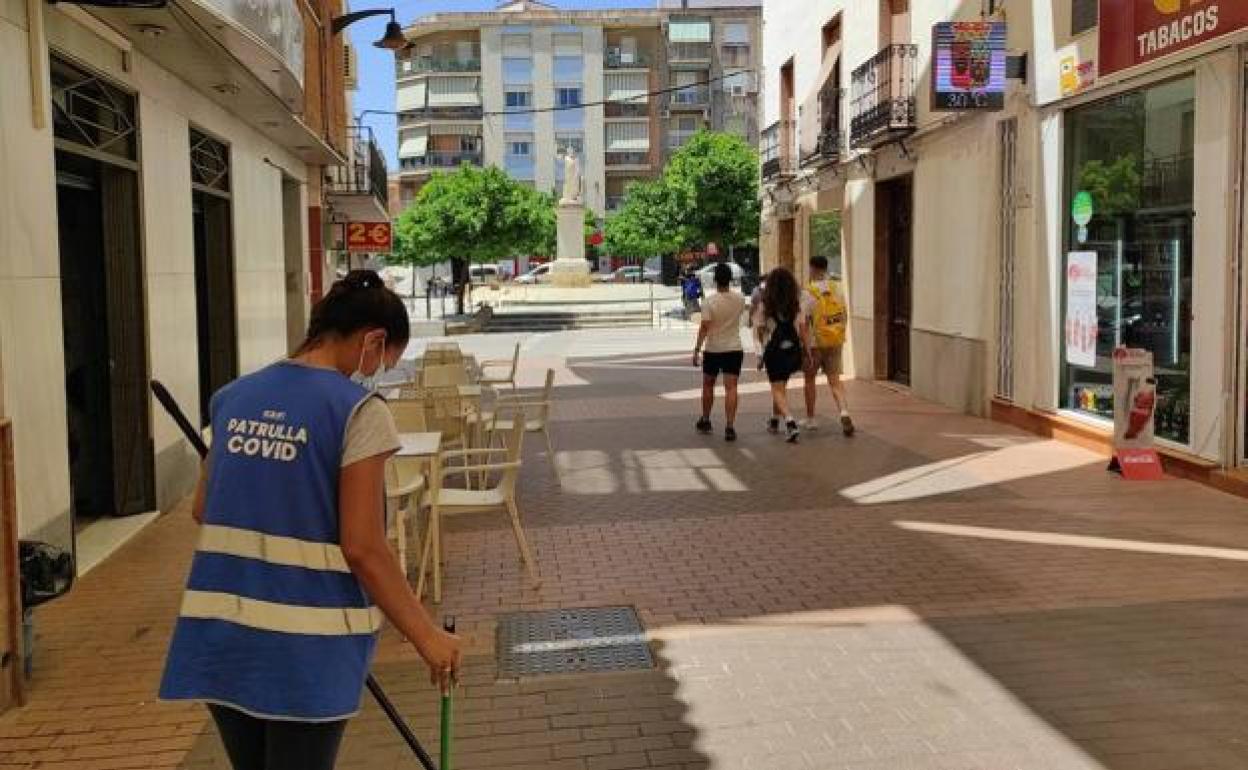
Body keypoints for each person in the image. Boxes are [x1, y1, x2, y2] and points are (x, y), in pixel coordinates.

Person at [160, 270, 461, 770]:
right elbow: (363, 547)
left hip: (222, 636)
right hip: (304, 650)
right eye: (386, 361)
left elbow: (202, 510)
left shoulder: (233, 397)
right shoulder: (358, 411)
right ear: (374, 340)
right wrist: (426, 636)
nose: (377, 374)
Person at [801, 256, 855, 436]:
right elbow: (844, 314)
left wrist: (805, 347)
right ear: (825, 268)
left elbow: (803, 323)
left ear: (813, 269)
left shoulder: (808, 292)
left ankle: (811, 419)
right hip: (834, 340)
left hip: (815, 344)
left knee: (809, 380)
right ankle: (844, 412)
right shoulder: (837, 288)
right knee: (835, 380)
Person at [693, 262, 746, 442]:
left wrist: (697, 349)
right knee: (731, 387)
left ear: (715, 280)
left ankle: (706, 419)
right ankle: (730, 426)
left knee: (708, 384)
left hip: (713, 349)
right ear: (730, 280)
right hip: (734, 347)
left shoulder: (709, 302)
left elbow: (704, 328)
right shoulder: (740, 299)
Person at [756, 267, 808, 443]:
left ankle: (790, 422)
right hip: (792, 351)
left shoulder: (765, 305)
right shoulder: (795, 305)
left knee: (777, 389)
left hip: (774, 351)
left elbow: (760, 332)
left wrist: (759, 355)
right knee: (780, 387)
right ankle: (774, 419)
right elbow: (802, 329)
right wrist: (807, 350)